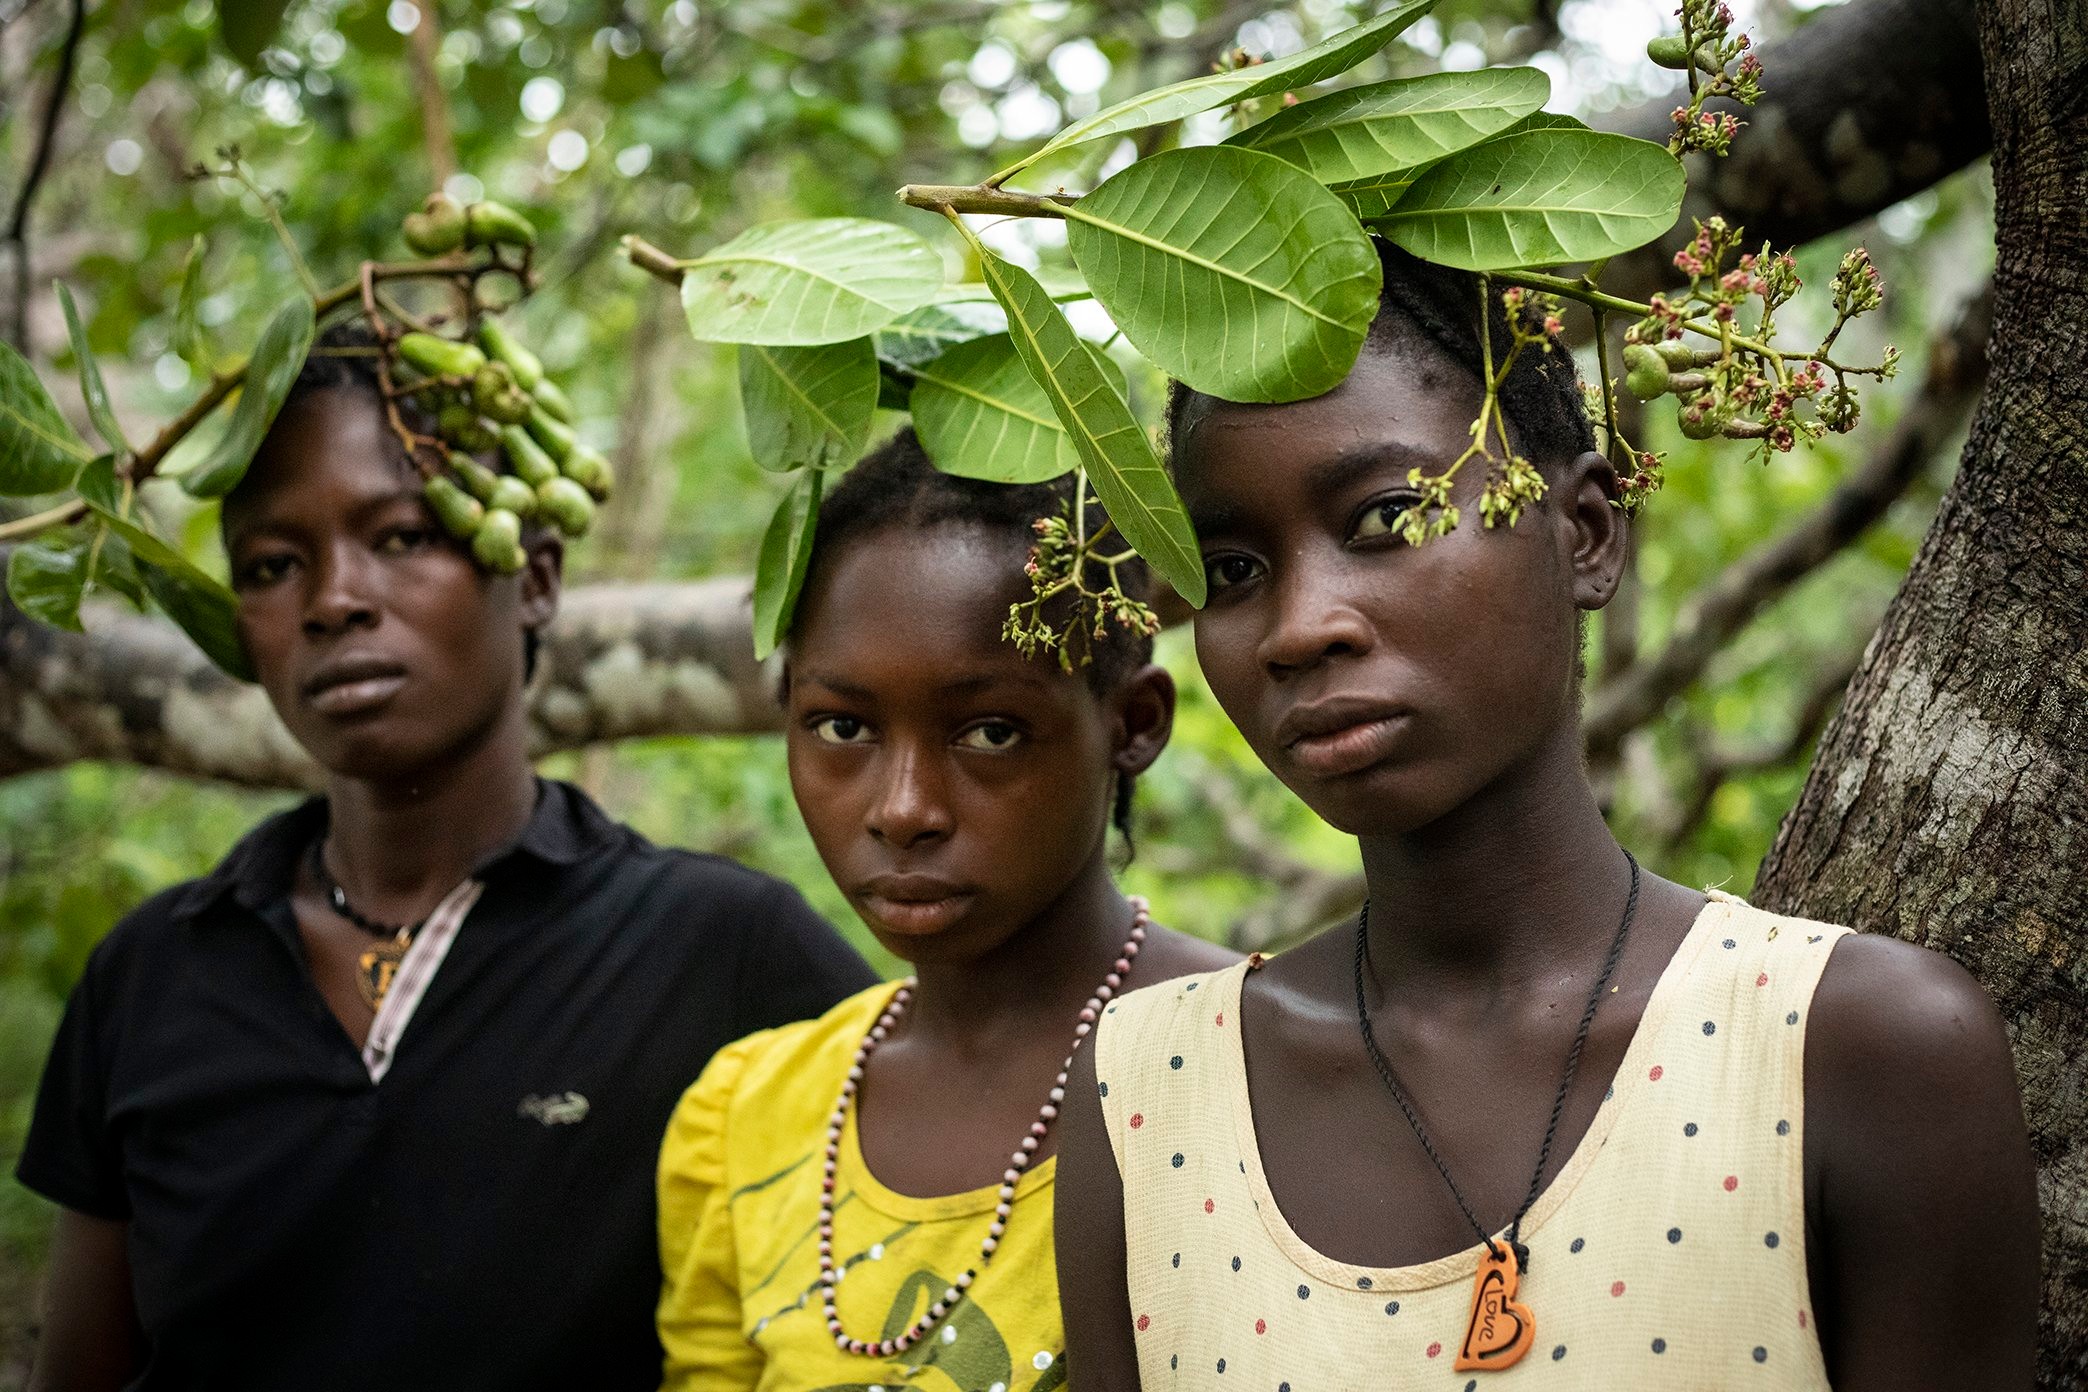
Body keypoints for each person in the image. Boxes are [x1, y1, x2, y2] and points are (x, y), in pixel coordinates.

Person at [1054, 242, 2041, 1390]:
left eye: (1385, 515)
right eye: (1229, 569)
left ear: (1585, 534)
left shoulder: (1860, 1051)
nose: (1297, 625)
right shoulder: (1148, 1095)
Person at [17, 322, 877, 1392]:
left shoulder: (722, 952)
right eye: (273, 565)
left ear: (536, 578)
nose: (334, 599)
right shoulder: (151, 973)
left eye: (403, 536)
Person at [655, 428, 1237, 1390]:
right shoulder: (748, 1123)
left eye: (990, 732)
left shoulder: (1263, 1070)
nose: (903, 809)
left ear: (1133, 725)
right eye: (843, 727)